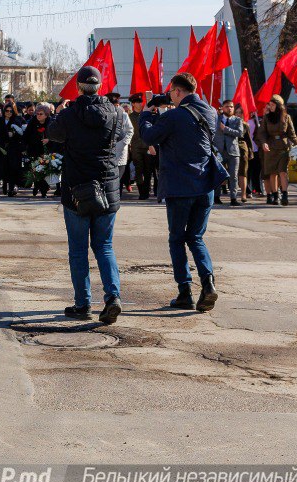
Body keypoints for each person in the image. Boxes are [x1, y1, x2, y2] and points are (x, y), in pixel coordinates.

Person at [45, 66, 126, 323]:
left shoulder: (69, 114)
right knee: (104, 246)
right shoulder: (115, 112)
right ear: (99, 87)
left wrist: (58, 113)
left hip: (77, 190)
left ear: (79, 87)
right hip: (107, 187)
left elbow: (52, 134)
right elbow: (122, 135)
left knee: (78, 250)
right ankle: (113, 297)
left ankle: (83, 304)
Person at [140, 73, 222, 313]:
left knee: (177, 238)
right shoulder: (210, 111)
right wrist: (164, 100)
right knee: (196, 237)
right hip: (205, 185)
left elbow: (149, 136)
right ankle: (208, 284)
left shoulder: (175, 116)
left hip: (180, 186)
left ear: (176, 91)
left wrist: (146, 113)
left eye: (172, 93)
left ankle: (184, 291)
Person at [258, 95, 297, 205]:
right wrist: (264, 143)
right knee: (272, 173)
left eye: (272, 105)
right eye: (269, 105)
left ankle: (285, 194)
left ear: (278, 106)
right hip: (270, 148)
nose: (270, 107)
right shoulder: (267, 117)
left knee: (283, 172)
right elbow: (262, 132)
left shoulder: (286, 117)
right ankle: (275, 195)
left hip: (283, 147)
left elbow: (292, 134)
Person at [213, 101, 243, 206]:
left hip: (233, 152)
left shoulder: (237, 120)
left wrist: (225, 129)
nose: (229, 109)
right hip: (219, 152)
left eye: (231, 107)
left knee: (233, 176)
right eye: (227, 107)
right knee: (218, 174)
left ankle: (233, 198)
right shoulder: (216, 119)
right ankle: (216, 197)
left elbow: (240, 133)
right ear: (222, 108)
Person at [23, 103, 54, 198]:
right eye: (37, 114)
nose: (38, 116)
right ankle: (36, 186)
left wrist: (48, 140)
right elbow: (26, 135)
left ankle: (44, 191)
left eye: (41, 114)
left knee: (44, 170)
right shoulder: (32, 122)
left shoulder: (51, 122)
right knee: (36, 169)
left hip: (46, 150)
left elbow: (56, 136)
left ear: (46, 115)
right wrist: (24, 148)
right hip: (34, 149)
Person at [0, 102, 26, 197]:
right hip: (2, 147)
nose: (9, 112)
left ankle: (12, 188)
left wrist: (15, 134)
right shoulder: (0, 120)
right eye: (7, 111)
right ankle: (4, 185)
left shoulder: (18, 119)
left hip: (14, 148)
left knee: (13, 168)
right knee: (4, 168)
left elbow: (23, 134)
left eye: (11, 111)